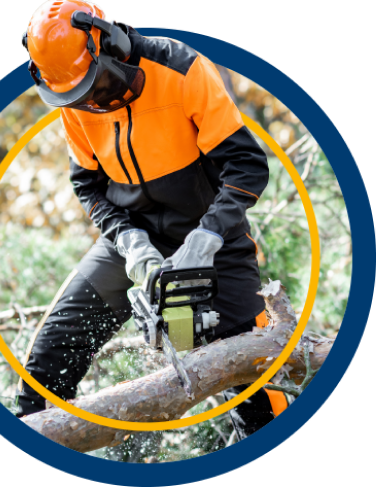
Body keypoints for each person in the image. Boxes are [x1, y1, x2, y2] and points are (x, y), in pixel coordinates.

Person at [15, 0, 286, 440]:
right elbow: (88, 185)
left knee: (255, 380)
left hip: (211, 237)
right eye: (74, 95)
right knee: (50, 355)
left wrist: (209, 235)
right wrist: (128, 241)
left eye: (91, 84)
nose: (88, 101)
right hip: (134, 238)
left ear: (110, 43)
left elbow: (247, 165)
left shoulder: (182, 69)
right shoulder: (73, 92)